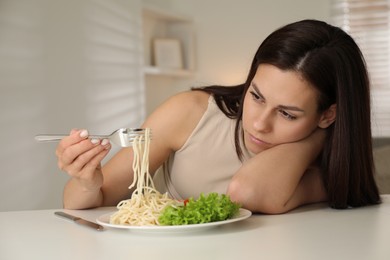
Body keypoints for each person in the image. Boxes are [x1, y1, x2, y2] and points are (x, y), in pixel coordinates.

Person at [56, 19, 381, 214]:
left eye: (286, 113)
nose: (258, 124)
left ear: (329, 115)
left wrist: (317, 137)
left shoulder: (329, 163)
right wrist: (87, 181)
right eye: (256, 95)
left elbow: (249, 192)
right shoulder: (189, 112)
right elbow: (83, 201)